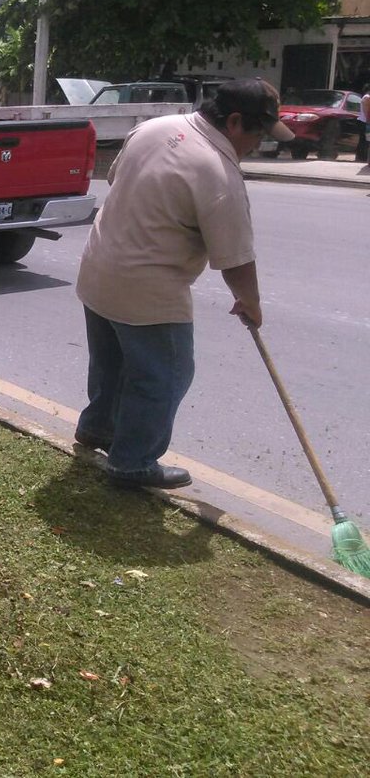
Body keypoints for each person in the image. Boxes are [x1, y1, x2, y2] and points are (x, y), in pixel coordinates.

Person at [73, 78, 294, 489]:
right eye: (259, 134)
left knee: (112, 362)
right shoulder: (218, 170)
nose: (259, 145)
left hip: (98, 269)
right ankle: (133, 462)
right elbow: (236, 257)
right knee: (165, 374)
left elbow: (115, 177)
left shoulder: (155, 127)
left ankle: (98, 428)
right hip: (147, 289)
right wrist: (251, 302)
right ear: (233, 122)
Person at [358, 87, 370, 163]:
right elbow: (366, 112)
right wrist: (368, 121)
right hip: (365, 121)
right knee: (365, 141)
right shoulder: (367, 97)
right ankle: (362, 157)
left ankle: (361, 157)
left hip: (364, 121)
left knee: (364, 140)